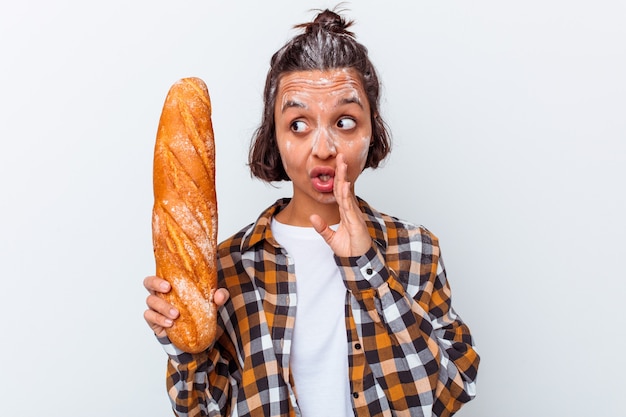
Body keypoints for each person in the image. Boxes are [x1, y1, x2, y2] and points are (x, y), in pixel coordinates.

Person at [144, 8, 479, 417]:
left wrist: (365, 266)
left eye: (344, 121)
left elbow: (445, 397)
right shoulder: (228, 268)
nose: (323, 148)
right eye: (299, 124)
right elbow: (199, 411)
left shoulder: (415, 250)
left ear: (372, 131)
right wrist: (188, 348)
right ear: (275, 136)